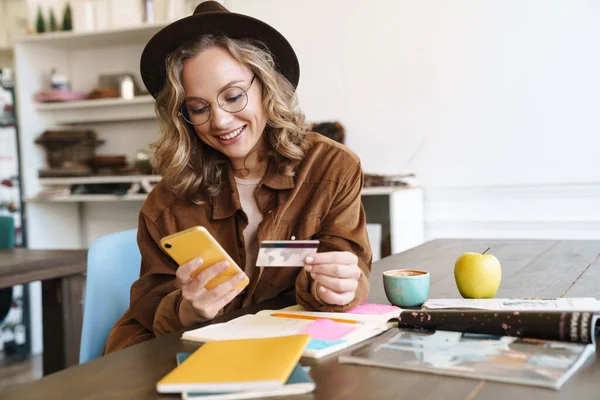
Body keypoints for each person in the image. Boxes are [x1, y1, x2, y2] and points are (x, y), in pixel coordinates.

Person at [104, 1, 372, 353]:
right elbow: (150, 305)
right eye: (199, 108)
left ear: (265, 86)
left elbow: (349, 268)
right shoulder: (168, 200)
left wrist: (336, 287)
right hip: (178, 353)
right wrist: (187, 308)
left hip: (281, 348)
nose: (220, 121)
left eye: (233, 96)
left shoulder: (330, 169)